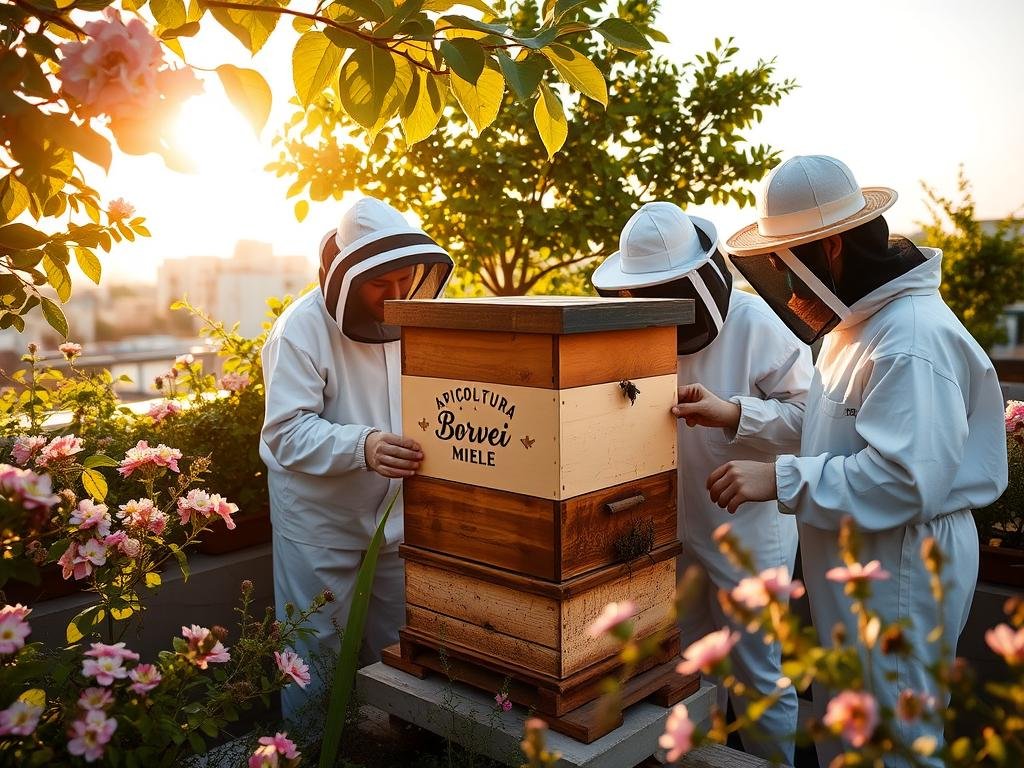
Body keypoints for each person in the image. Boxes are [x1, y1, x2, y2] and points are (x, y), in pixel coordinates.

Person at [674, 155, 1009, 765]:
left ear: (828, 250)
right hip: (868, 559)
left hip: (902, 561)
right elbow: (832, 430)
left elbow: (905, 480)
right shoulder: (863, 329)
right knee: (851, 726)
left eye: (784, 266)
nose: (786, 284)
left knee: (891, 742)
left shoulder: (909, 340)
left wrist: (776, 479)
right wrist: (736, 415)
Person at [593, 202, 812, 763]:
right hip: (669, 530)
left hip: (749, 532)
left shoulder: (756, 323)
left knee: (758, 672)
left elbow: (814, 421)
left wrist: (738, 414)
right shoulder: (639, 328)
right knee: (682, 668)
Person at [260, 196, 454, 720]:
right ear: (347, 275)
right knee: (312, 654)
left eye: (404, 279)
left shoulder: (410, 316)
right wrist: (362, 446)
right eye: (379, 284)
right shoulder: (300, 329)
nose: (395, 294)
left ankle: (394, 745)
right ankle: (305, 749)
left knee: (403, 646)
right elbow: (285, 432)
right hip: (320, 528)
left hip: (397, 523)